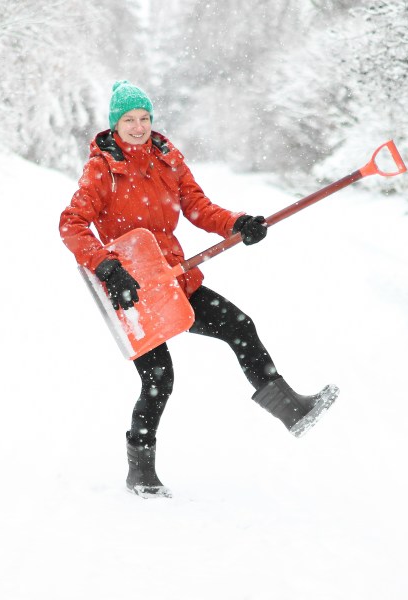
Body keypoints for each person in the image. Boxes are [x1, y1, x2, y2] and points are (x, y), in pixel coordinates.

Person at [59, 80, 337, 498]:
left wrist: (237, 223)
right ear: (115, 125)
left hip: (173, 279)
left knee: (240, 326)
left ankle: (292, 410)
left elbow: (197, 206)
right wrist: (109, 268)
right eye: (129, 120)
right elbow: (72, 224)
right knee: (159, 376)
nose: (138, 127)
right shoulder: (102, 168)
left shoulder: (168, 159)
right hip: (131, 292)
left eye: (144, 118)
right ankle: (141, 472)